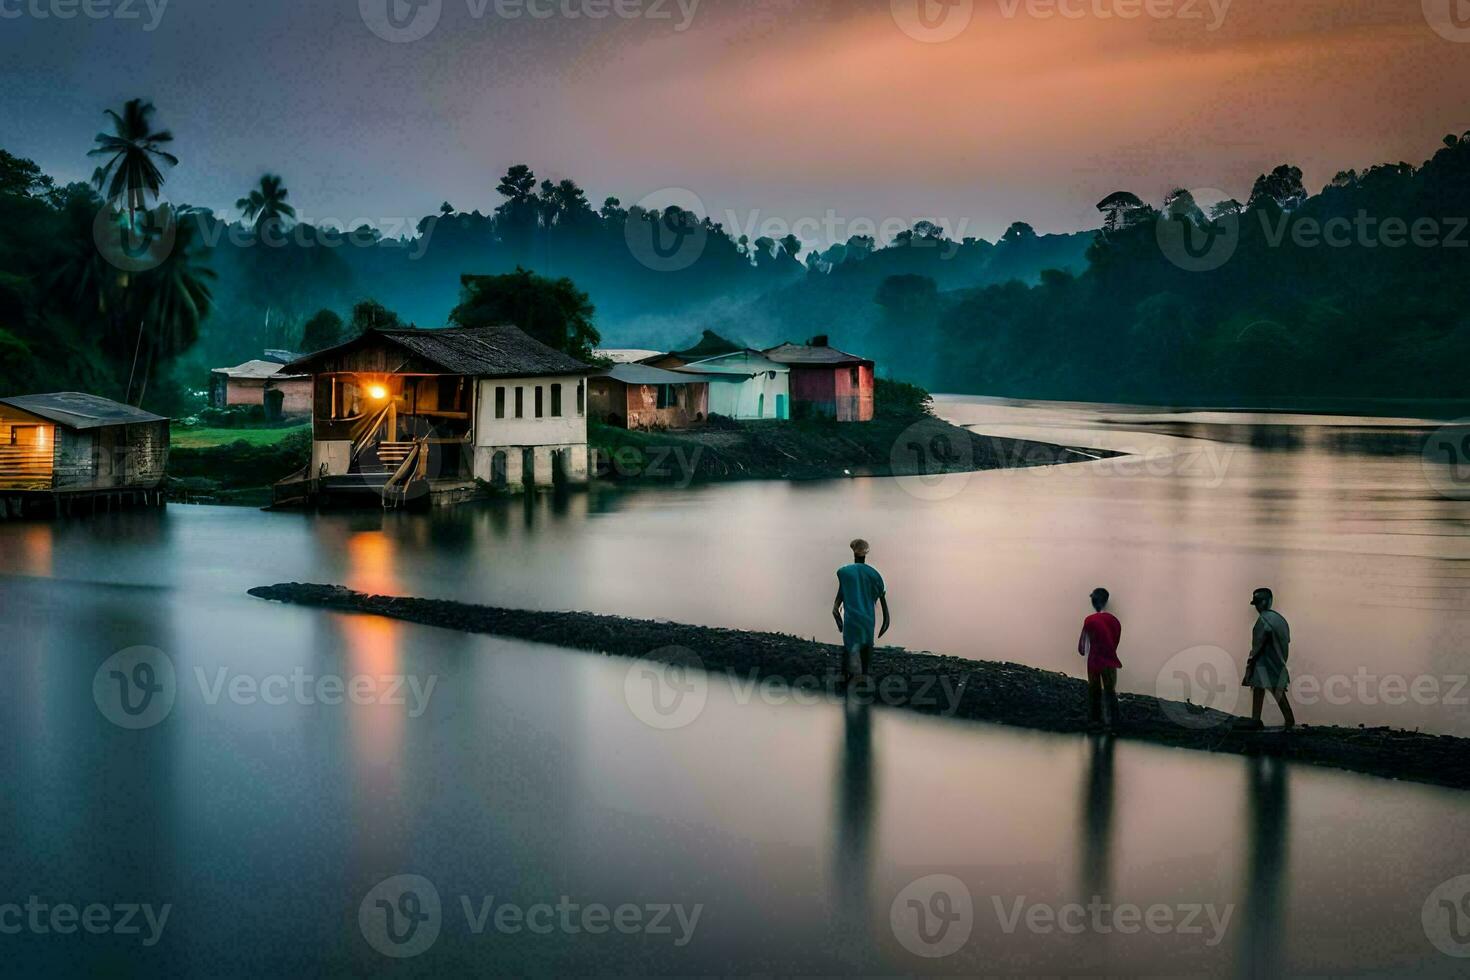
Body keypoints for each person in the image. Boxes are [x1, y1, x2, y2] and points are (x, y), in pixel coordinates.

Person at [832, 539, 890, 682]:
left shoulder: (845, 573)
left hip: (851, 620)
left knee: (848, 649)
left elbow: (835, 607)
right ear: (866, 554)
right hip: (867, 620)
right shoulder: (875, 575)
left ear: (853, 553)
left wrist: (839, 623)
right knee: (866, 652)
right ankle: (864, 678)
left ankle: (846, 679)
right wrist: (885, 623)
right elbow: (884, 606)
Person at [1239, 587, 1296, 730]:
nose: (1257, 607)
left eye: (1258, 603)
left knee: (1263, 687)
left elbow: (1257, 646)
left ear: (1264, 602)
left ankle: (1258, 719)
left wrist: (1250, 664)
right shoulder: (1279, 619)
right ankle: (1263, 719)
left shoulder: (1263, 620)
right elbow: (1286, 641)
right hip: (1278, 660)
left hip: (1265, 662)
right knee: (1272, 689)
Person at [1078, 588, 1123, 730]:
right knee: (1110, 691)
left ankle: (1095, 721)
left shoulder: (1089, 620)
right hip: (1110, 659)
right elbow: (1116, 641)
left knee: (1094, 690)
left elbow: (1081, 647)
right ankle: (1114, 722)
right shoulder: (1115, 621)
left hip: (1094, 661)